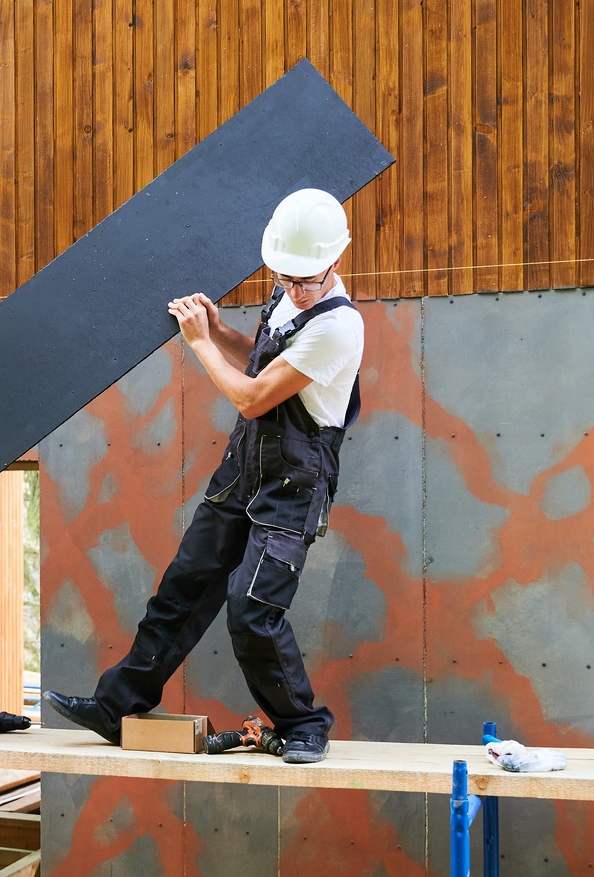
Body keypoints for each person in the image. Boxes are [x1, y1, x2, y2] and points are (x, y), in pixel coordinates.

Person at [46, 188, 365, 764]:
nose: (293, 290)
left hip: (293, 484)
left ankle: (303, 725)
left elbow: (251, 396)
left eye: (305, 281)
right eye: (284, 277)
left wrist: (196, 344)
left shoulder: (339, 326)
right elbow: (260, 359)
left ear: (335, 262)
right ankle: (117, 705)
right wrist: (218, 330)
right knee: (183, 586)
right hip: (244, 468)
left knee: (252, 608)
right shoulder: (291, 293)